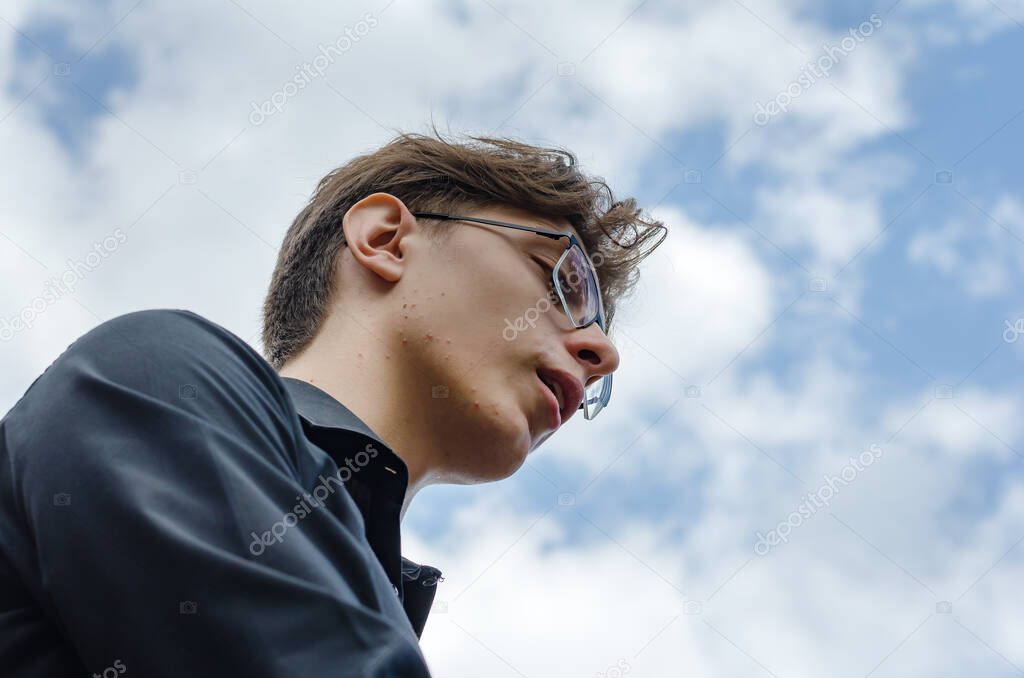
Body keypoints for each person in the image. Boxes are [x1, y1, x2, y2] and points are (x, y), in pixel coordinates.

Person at [0, 128, 666, 676]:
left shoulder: (380, 609)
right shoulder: (154, 373)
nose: (603, 353)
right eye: (567, 282)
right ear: (383, 239)